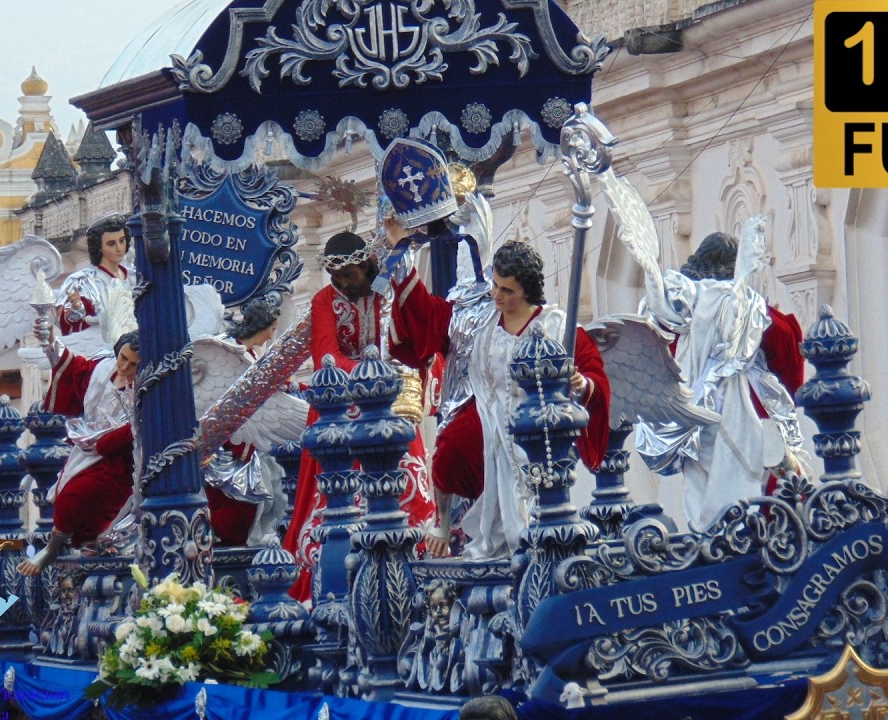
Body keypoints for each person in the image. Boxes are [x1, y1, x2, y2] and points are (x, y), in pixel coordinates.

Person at [390, 241, 611, 560]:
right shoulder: (484, 329)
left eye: (507, 290)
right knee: (453, 456)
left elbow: (593, 373)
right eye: (495, 285)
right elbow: (429, 321)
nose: (497, 295)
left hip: (541, 437)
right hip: (494, 433)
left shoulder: (554, 325)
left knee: (540, 514)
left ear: (526, 291)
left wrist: (582, 383)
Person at [281, 230, 436, 600]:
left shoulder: (388, 291)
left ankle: (415, 559)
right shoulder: (323, 301)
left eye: (350, 275)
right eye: (338, 278)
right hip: (341, 411)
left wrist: (407, 371)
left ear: (367, 266)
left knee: (408, 482)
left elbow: (417, 341)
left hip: (391, 405)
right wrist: (374, 374)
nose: (344, 284)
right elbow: (326, 359)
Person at [637, 223, 807, 531]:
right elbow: (790, 364)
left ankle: (716, 534)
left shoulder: (727, 310)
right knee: (738, 481)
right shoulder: (746, 310)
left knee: (732, 481)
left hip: (721, 410)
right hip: (716, 412)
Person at [19, 325, 139, 576]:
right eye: (123, 358)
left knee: (81, 496)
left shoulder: (145, 388)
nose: (124, 368)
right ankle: (78, 547)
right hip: (86, 447)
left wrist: (109, 442)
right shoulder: (103, 370)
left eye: (133, 364)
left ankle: (53, 549)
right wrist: (51, 343)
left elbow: (139, 427)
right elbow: (74, 369)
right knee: (69, 499)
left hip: (118, 460)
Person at [205, 293, 293, 546]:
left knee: (268, 500)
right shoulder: (230, 352)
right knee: (241, 505)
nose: (272, 335)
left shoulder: (253, 356)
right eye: (272, 329)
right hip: (231, 445)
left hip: (251, 444)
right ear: (262, 326)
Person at [57, 213, 133, 335]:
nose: (119, 248)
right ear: (99, 247)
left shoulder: (135, 277)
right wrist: (76, 308)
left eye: (122, 241)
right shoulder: (84, 281)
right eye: (111, 243)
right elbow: (69, 324)